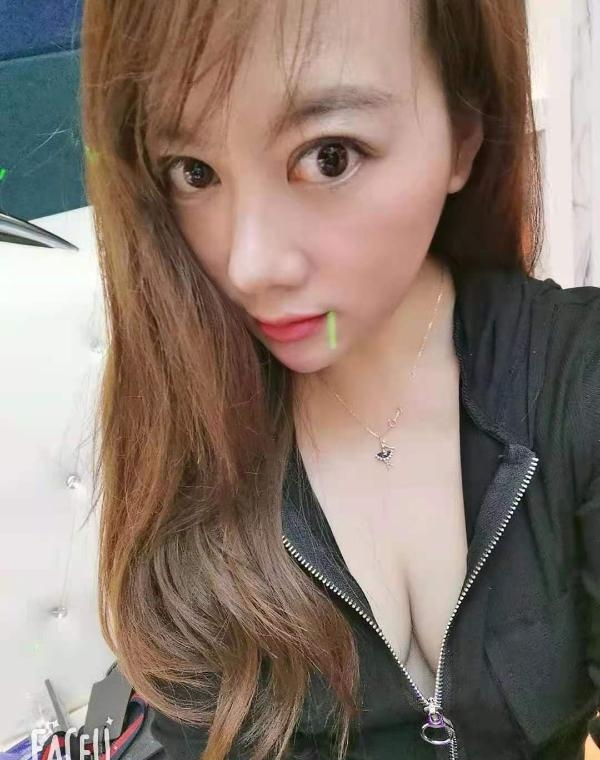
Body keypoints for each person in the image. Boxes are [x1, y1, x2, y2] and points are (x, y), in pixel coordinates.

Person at [79, 0, 600, 758]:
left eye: (329, 156)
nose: (250, 266)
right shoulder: (181, 428)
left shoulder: (575, 379)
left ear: (463, 133)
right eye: (194, 172)